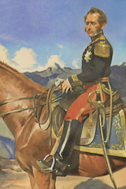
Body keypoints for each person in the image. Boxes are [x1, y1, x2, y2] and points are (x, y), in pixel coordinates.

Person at [37, 7, 113, 176]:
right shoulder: (93, 44)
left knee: (73, 112)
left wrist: (72, 80)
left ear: (102, 25)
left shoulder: (102, 46)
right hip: (89, 88)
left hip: (99, 90)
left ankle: (61, 162)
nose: (88, 27)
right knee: (62, 103)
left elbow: (96, 73)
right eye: (87, 23)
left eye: (92, 23)